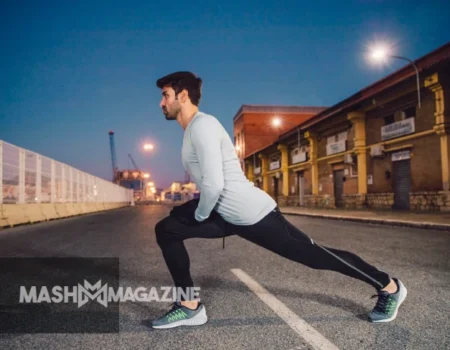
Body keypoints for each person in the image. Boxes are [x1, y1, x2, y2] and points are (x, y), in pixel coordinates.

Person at [151, 71, 407, 329]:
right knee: (167, 229)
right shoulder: (193, 130)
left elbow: (214, 184)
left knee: (316, 257)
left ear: (183, 96)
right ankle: (189, 306)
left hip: (252, 214)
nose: (161, 103)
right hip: (226, 213)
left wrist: (199, 214)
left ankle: (389, 286)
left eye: (165, 96)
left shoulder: (202, 126)